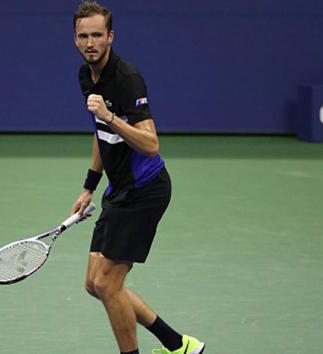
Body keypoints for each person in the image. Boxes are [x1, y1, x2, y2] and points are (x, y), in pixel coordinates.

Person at [69, 2, 206, 354]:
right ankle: (178, 344)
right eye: (83, 36)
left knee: (108, 283)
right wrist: (89, 185)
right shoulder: (87, 76)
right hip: (119, 190)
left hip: (145, 190)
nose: (90, 43)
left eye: (97, 35)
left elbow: (151, 143)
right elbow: (101, 133)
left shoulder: (127, 79)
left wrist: (112, 117)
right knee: (93, 283)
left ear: (110, 37)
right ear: (75, 39)